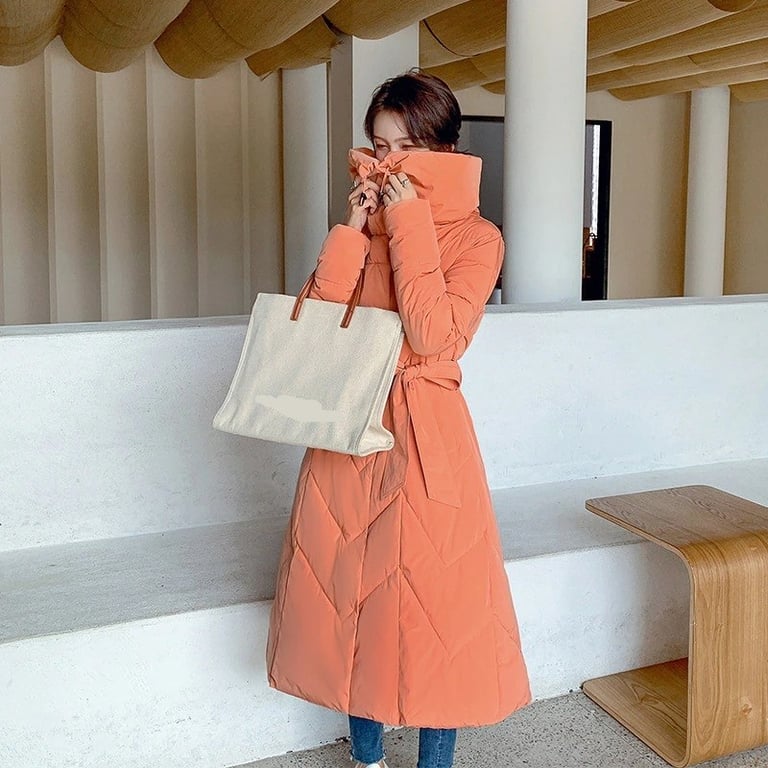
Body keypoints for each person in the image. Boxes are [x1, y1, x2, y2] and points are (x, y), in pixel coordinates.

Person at [266, 70, 530, 768]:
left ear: (444, 149)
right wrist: (351, 231)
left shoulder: (479, 238)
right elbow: (316, 330)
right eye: (379, 146)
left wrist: (409, 223)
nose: (389, 162)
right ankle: (367, 757)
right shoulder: (369, 227)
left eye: (407, 147)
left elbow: (435, 336)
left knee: (438, 612)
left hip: (428, 431)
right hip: (351, 424)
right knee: (355, 597)